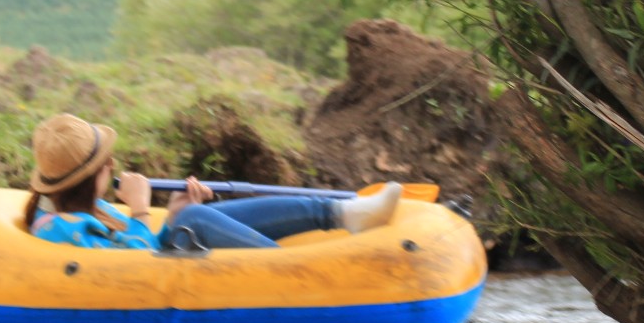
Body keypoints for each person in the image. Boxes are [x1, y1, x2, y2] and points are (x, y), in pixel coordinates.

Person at [23, 113, 400, 251]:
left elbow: (147, 245)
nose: (115, 167)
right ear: (92, 177)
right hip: (151, 285)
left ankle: (344, 213)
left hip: (160, 262)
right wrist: (139, 209)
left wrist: (174, 213)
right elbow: (134, 263)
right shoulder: (60, 229)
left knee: (197, 214)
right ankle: (289, 266)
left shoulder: (96, 209)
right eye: (108, 163)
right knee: (197, 221)